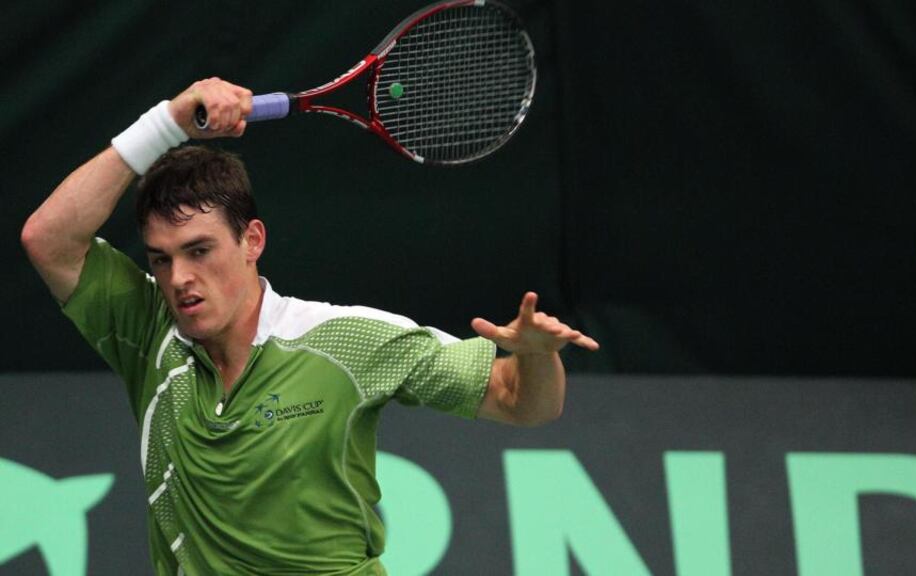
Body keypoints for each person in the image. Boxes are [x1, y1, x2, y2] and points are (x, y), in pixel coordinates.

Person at [21, 78, 599, 575]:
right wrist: (169, 121)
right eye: (161, 259)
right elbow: (47, 239)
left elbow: (524, 402)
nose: (179, 279)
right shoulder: (150, 333)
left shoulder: (346, 339)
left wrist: (536, 356)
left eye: (199, 251)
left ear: (253, 241)